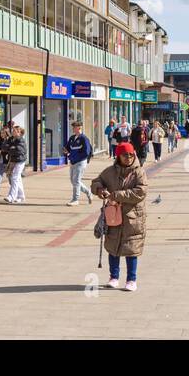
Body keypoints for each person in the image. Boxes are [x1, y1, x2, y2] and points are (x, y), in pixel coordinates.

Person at [90, 141, 147, 291]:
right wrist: (99, 189)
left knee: (131, 249)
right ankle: (113, 277)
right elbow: (96, 182)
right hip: (113, 216)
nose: (128, 158)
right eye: (124, 155)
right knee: (113, 247)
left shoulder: (139, 172)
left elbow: (140, 192)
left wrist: (116, 195)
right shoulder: (109, 172)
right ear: (118, 156)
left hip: (133, 216)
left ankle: (131, 280)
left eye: (130, 154)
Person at [64, 119, 94, 205]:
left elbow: (86, 152)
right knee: (73, 181)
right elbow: (68, 148)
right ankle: (88, 192)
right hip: (73, 162)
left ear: (79, 128)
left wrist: (76, 157)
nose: (73, 128)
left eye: (74, 127)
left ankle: (75, 199)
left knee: (76, 181)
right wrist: (66, 151)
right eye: (73, 127)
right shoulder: (72, 138)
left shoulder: (84, 139)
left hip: (80, 162)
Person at [4, 125, 28, 204]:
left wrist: (10, 148)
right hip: (13, 160)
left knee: (14, 178)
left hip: (20, 161)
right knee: (17, 179)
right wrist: (11, 147)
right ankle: (21, 196)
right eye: (13, 130)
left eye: (15, 131)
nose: (13, 132)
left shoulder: (21, 140)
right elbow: (4, 147)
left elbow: (19, 151)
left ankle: (11, 196)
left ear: (20, 133)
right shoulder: (11, 139)